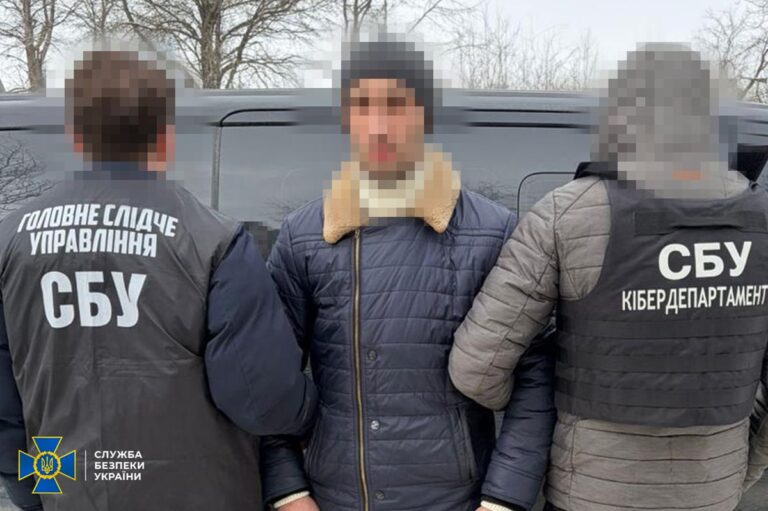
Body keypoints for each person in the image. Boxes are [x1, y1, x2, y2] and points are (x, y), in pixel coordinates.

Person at [449, 43, 768, 511]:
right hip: (712, 492)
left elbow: (475, 370)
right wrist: (740, 469)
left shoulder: (568, 212)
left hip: (588, 493)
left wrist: (545, 414)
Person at [0, 48, 316, 511]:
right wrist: (316, 412)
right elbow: (260, 398)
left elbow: (5, 403)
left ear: (75, 135)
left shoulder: (10, 240)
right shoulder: (214, 239)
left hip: (72, 491)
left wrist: (32, 490)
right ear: (166, 135)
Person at [260, 34, 555, 511]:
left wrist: (503, 499)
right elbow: (270, 376)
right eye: (363, 106)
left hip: (458, 501)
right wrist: (288, 492)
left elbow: (536, 374)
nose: (379, 127)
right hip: (335, 499)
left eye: (396, 105)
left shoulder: (493, 231)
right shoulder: (303, 235)